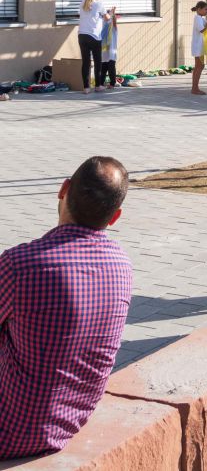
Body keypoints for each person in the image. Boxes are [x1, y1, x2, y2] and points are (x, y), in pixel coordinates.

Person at [0, 157, 132, 460]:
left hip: (8, 431)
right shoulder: (122, 266)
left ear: (63, 189)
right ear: (115, 217)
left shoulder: (20, 265)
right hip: (65, 427)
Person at [78, 0, 112, 94]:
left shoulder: (82, 3)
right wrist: (110, 14)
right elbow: (107, 18)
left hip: (82, 35)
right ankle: (98, 86)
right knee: (98, 62)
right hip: (94, 36)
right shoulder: (99, 4)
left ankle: (86, 88)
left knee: (86, 62)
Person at [191, 0, 207, 96]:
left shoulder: (201, 18)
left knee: (199, 66)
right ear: (199, 9)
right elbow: (202, 30)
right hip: (198, 46)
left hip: (200, 46)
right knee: (199, 66)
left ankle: (195, 87)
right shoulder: (197, 18)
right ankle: (195, 88)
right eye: (205, 9)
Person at [99, 7, 119, 89]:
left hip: (111, 52)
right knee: (103, 69)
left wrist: (113, 15)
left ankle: (112, 84)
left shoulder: (113, 28)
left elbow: (114, 22)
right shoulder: (102, 27)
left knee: (111, 68)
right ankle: (100, 84)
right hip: (104, 52)